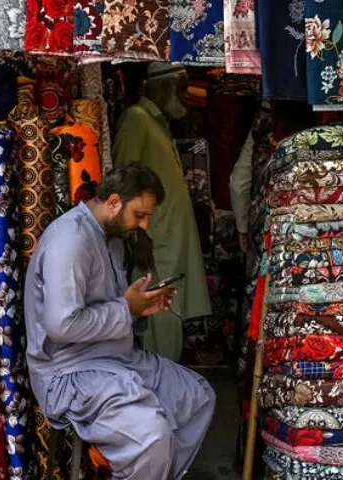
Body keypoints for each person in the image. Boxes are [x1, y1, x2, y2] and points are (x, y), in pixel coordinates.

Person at [24, 164, 216, 480]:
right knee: (153, 436)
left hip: (115, 360)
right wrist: (126, 310)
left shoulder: (110, 237)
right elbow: (63, 326)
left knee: (198, 397)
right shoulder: (69, 241)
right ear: (114, 202)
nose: (143, 225)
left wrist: (140, 309)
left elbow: (111, 311)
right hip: (71, 372)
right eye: (140, 215)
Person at [112, 62, 211, 362]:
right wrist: (140, 238)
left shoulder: (157, 123)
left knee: (170, 316)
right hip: (155, 244)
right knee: (160, 319)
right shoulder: (136, 118)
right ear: (165, 87)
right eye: (181, 89)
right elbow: (123, 180)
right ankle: (161, 394)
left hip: (169, 244)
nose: (185, 96)